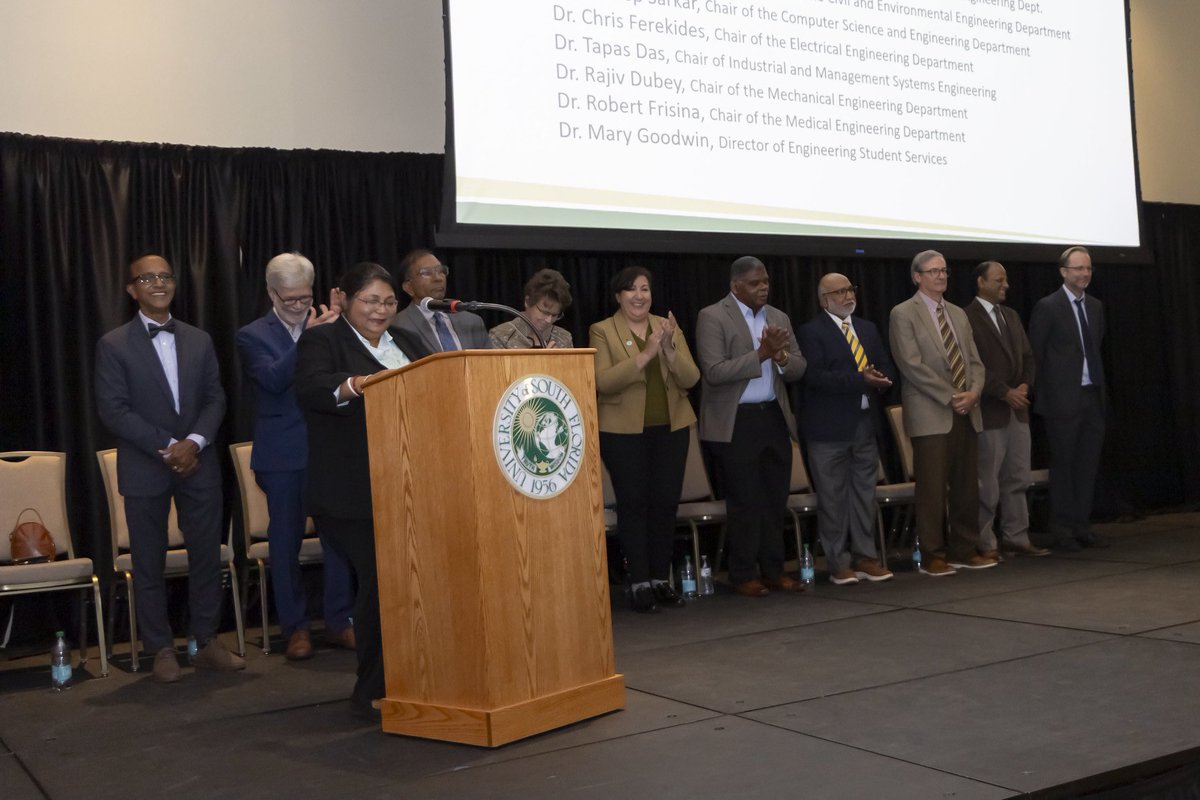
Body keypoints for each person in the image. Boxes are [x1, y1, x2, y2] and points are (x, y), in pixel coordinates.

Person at [95, 254, 245, 683]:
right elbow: (114, 410)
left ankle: (206, 642)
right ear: (132, 289)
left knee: (205, 557)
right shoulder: (113, 344)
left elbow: (216, 398)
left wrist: (194, 443)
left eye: (165, 276)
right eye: (147, 277)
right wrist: (168, 446)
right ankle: (159, 647)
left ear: (174, 284)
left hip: (199, 463)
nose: (158, 283)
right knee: (147, 560)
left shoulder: (199, 339)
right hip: (146, 466)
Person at [295, 262, 418, 719]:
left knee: (408, 585)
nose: (381, 310)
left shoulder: (405, 341)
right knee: (384, 584)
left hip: (412, 486)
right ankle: (373, 691)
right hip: (351, 491)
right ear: (344, 299)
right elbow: (311, 391)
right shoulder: (322, 341)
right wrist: (356, 384)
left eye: (388, 302)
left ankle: (417, 678)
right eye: (371, 300)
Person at [236, 252, 357, 661]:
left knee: (337, 539)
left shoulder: (332, 325)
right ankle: (296, 629)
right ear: (271, 293)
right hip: (281, 454)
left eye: (305, 297)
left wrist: (339, 326)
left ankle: (340, 621)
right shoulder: (252, 334)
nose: (299, 305)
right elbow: (271, 380)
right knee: (284, 544)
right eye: (290, 299)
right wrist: (309, 334)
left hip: (329, 447)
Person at [590, 267, 700, 613]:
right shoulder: (603, 330)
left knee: (665, 504)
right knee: (634, 504)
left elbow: (692, 377)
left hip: (672, 428)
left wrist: (668, 350)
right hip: (622, 433)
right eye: (631, 290)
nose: (639, 295)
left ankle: (659, 579)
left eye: (645, 289)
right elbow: (602, 382)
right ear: (618, 296)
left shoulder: (668, 327)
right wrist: (646, 354)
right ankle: (638, 582)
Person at [696, 256, 807, 597]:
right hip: (736, 421)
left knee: (775, 498)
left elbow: (799, 367)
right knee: (745, 501)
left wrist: (782, 358)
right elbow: (714, 371)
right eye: (755, 283)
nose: (764, 288)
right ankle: (743, 574)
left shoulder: (778, 317)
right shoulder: (713, 316)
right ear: (735, 286)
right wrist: (761, 354)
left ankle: (775, 570)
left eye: (766, 282)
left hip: (772, 415)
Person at [889, 250, 996, 576]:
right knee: (933, 489)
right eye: (932, 271)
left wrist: (974, 393)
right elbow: (911, 365)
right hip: (931, 412)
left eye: (944, 271)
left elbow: (975, 361)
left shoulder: (958, 314)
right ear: (917, 277)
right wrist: (952, 396)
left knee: (966, 486)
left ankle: (964, 548)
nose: (940, 276)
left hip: (967, 409)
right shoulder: (903, 313)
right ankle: (933, 553)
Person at [796, 273, 896, 585]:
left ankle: (866, 557)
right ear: (824, 299)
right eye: (839, 292)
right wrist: (860, 380)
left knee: (865, 495)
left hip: (865, 425)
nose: (848, 296)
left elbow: (886, 367)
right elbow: (815, 378)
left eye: (850, 290)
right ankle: (838, 563)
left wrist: (881, 380)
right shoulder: (811, 332)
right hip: (827, 430)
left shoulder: (867, 328)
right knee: (833, 498)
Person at [964, 261, 1050, 559]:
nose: (1006, 286)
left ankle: (1016, 536)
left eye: (1006, 280)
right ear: (980, 282)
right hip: (989, 410)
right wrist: (1004, 392)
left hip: (1018, 411)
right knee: (986, 482)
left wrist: (1025, 386)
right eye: (999, 280)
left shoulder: (1011, 315)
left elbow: (1028, 357)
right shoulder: (966, 317)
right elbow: (971, 365)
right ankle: (985, 542)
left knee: (1018, 477)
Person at [1028, 246, 1108, 551]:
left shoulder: (1096, 307)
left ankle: (1081, 525)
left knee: (1088, 465)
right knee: (1064, 465)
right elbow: (1037, 355)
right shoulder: (1048, 306)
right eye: (1078, 269)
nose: (1085, 274)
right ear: (1064, 272)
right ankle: (1061, 527)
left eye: (1088, 268)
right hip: (1062, 402)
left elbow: (1094, 349)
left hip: (1092, 397)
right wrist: (1046, 398)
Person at [391, 249, 491, 356]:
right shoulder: (397, 326)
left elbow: (489, 365)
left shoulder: (472, 322)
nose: (438, 278)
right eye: (427, 273)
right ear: (409, 287)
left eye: (441, 271)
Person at [490, 268, 575, 349]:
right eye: (544, 312)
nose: (548, 320)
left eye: (554, 315)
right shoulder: (501, 336)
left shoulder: (564, 338)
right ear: (527, 302)